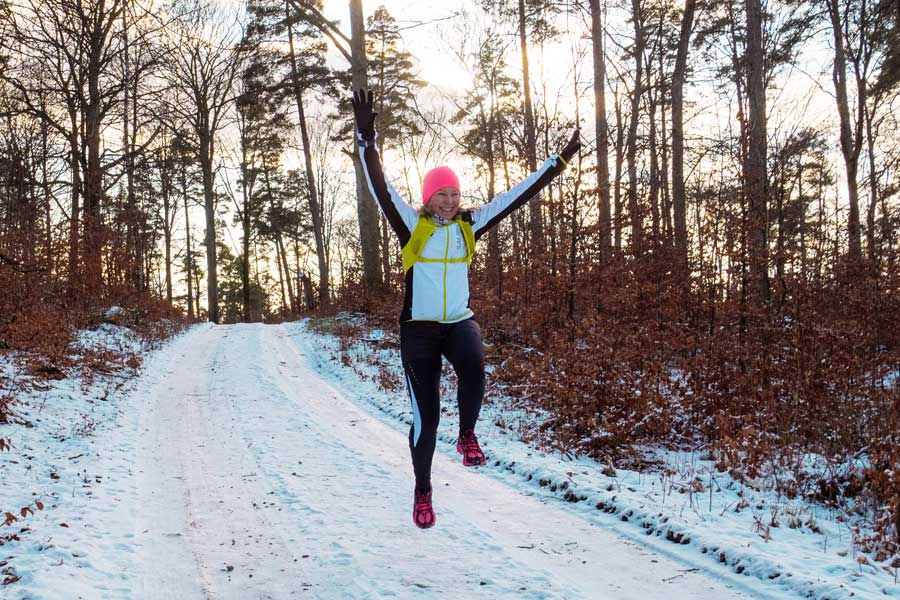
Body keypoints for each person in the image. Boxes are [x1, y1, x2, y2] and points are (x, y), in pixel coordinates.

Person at [351, 89, 581, 529]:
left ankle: (468, 435)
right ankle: (423, 489)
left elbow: (519, 195)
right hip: (418, 330)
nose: (450, 200)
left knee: (475, 363)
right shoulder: (410, 225)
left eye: (455, 193)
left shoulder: (468, 226)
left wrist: (559, 161)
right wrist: (367, 139)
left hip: (458, 322)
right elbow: (379, 185)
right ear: (428, 198)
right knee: (427, 416)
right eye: (442, 194)